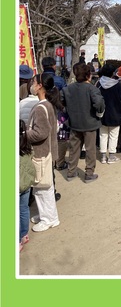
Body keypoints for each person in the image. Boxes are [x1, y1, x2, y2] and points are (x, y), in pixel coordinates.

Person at [26, 73, 60, 232]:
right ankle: (47, 215)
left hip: (41, 152)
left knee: (41, 187)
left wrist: (24, 134)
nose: (32, 84)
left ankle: (49, 219)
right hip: (48, 151)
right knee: (44, 186)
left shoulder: (41, 107)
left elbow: (40, 133)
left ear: (40, 86)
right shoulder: (48, 104)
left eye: (34, 82)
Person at [60, 62, 104, 183]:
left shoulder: (67, 89)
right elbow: (99, 103)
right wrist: (99, 112)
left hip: (74, 122)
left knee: (74, 148)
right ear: (88, 75)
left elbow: (60, 101)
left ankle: (71, 172)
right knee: (90, 149)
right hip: (90, 123)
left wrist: (67, 110)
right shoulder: (92, 88)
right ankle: (89, 173)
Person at [96, 64, 121, 164]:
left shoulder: (98, 83)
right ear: (113, 73)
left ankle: (103, 156)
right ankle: (112, 155)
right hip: (116, 112)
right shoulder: (117, 85)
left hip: (102, 113)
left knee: (103, 134)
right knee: (113, 134)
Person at [19, 119, 33, 251]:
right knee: (24, 209)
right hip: (27, 183)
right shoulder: (27, 145)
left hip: (17, 184)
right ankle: (24, 235)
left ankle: (17, 241)